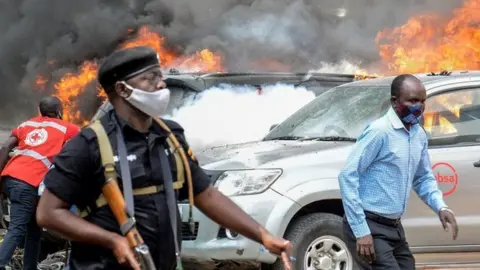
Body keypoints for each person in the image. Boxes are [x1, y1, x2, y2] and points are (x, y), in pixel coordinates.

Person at [35, 46, 293, 270]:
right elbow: (48, 214)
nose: (162, 84)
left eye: (160, 76)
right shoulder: (89, 144)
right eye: (151, 78)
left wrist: (263, 235)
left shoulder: (171, 136)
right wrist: (111, 240)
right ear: (122, 90)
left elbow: (206, 195)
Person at [338, 74, 459, 270]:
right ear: (395, 101)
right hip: (370, 225)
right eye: (412, 100)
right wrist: (361, 231)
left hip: (394, 227)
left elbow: (423, 177)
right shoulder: (380, 132)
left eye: (422, 101)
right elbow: (347, 176)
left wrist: (441, 207)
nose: (418, 106)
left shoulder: (418, 135)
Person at [0, 96, 80, 270]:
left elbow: (5, 148)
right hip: (27, 183)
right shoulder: (69, 128)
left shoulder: (27, 124)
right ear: (59, 111)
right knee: (17, 229)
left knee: (34, 230)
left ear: (40, 111)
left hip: (10, 178)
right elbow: (79, 152)